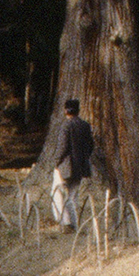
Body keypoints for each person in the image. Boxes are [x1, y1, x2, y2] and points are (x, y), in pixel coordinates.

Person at [52, 97, 96, 227]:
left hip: (65, 166)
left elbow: (62, 148)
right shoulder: (85, 125)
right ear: (78, 110)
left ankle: (64, 221)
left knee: (57, 193)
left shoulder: (66, 126)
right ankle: (75, 222)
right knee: (73, 196)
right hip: (80, 166)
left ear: (66, 111)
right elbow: (90, 146)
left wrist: (56, 162)